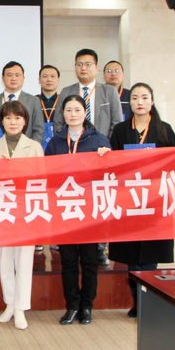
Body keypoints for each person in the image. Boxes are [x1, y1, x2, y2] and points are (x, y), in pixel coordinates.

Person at [108, 83, 175, 317]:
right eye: (135, 97)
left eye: (144, 97)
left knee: (150, 255)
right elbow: (113, 164)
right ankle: (136, 302)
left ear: (152, 101)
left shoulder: (164, 129)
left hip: (155, 201)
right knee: (131, 256)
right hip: (129, 200)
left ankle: (149, 303)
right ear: (130, 103)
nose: (139, 102)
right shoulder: (120, 130)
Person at [45, 94, 111, 325]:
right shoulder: (55, 142)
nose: (73, 114)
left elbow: (111, 173)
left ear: (85, 113)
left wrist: (106, 157)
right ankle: (72, 306)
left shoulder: (98, 139)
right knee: (69, 260)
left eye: (77, 110)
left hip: (89, 210)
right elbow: (47, 175)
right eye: (68, 110)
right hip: (65, 208)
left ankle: (87, 306)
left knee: (90, 260)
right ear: (62, 114)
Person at [54, 49, 122, 266]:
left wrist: (103, 146)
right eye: (79, 64)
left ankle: (99, 248)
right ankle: (68, 242)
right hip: (71, 158)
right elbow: (58, 123)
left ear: (96, 67)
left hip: (99, 156)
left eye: (88, 64)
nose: (83, 68)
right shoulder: (66, 91)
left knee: (96, 203)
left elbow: (116, 123)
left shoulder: (109, 92)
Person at [0, 100, 44, 330]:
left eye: (17, 118)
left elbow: (41, 181)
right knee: (4, 259)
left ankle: (21, 308)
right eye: (8, 118)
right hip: (1, 210)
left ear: (25, 121)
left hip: (25, 210)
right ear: (2, 122)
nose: (13, 122)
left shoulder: (34, 147)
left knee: (24, 260)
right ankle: (9, 303)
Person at [0, 61, 44, 147]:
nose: (13, 78)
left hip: (26, 151)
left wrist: (30, 149)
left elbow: (39, 130)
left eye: (17, 75)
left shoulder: (33, 101)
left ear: (23, 78)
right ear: (3, 78)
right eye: (9, 75)